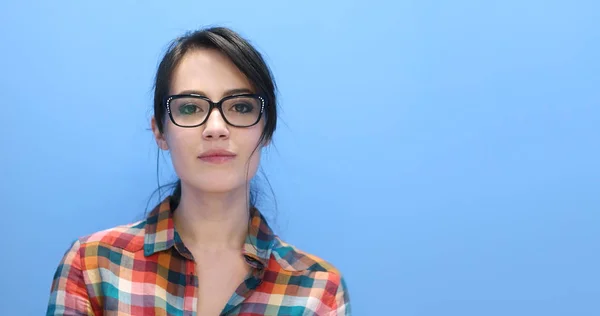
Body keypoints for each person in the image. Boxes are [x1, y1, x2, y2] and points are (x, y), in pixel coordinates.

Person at [46, 26, 351, 315]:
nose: (216, 128)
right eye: (190, 108)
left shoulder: (317, 289)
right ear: (160, 132)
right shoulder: (93, 265)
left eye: (241, 107)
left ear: (266, 130)